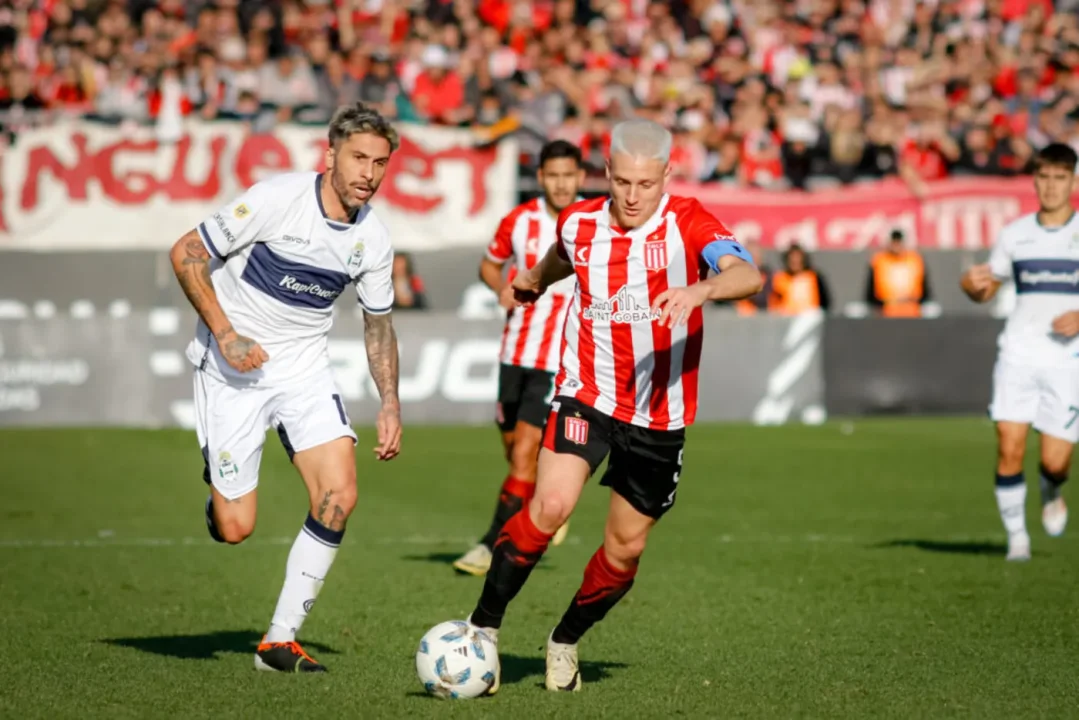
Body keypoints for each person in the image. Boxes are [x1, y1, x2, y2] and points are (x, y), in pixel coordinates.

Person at [462, 119, 763, 693]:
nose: (631, 196)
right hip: (587, 393)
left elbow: (746, 273)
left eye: (645, 185)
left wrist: (702, 289)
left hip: (658, 415)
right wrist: (531, 280)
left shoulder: (689, 220)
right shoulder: (579, 222)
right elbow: (560, 257)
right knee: (548, 506)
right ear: (605, 173)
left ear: (665, 177)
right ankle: (482, 630)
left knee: (625, 549)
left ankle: (565, 640)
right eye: (621, 181)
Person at [168, 102, 403, 672]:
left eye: (379, 162)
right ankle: (220, 501)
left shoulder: (374, 240)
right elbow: (186, 253)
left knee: (339, 497)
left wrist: (390, 402)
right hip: (232, 370)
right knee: (235, 528)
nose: (367, 173)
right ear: (330, 155)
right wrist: (225, 334)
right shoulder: (276, 199)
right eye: (357, 158)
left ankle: (278, 642)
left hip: (303, 371)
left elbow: (378, 325)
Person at [453, 140, 585, 576]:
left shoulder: (592, 221)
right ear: (541, 178)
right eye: (554, 175)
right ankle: (546, 508)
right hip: (515, 350)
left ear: (580, 177)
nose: (562, 183)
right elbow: (489, 265)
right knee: (514, 449)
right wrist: (500, 288)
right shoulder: (520, 220)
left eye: (570, 175)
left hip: (560, 359)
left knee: (526, 450)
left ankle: (493, 544)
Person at [960, 142, 1079, 562]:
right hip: (1018, 354)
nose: (1050, 187)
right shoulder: (1015, 234)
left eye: (1060, 178)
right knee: (1009, 447)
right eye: (1044, 177)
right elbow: (985, 287)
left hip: (1068, 363)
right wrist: (969, 286)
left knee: (1056, 461)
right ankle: (1018, 542)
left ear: (1074, 181)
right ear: (1034, 180)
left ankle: (1052, 487)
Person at [866, 229, 931, 317]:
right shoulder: (879, 261)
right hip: (886, 311)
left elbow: (925, 290)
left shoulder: (915, 260)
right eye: (894, 242)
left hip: (913, 310)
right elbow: (871, 292)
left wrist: (912, 300)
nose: (896, 245)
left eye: (899, 242)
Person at [767, 243, 831, 314]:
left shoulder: (814, 277)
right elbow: (774, 302)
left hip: (810, 317)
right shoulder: (780, 278)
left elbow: (825, 302)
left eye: (798, 258)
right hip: (786, 317)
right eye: (792, 259)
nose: (795, 261)